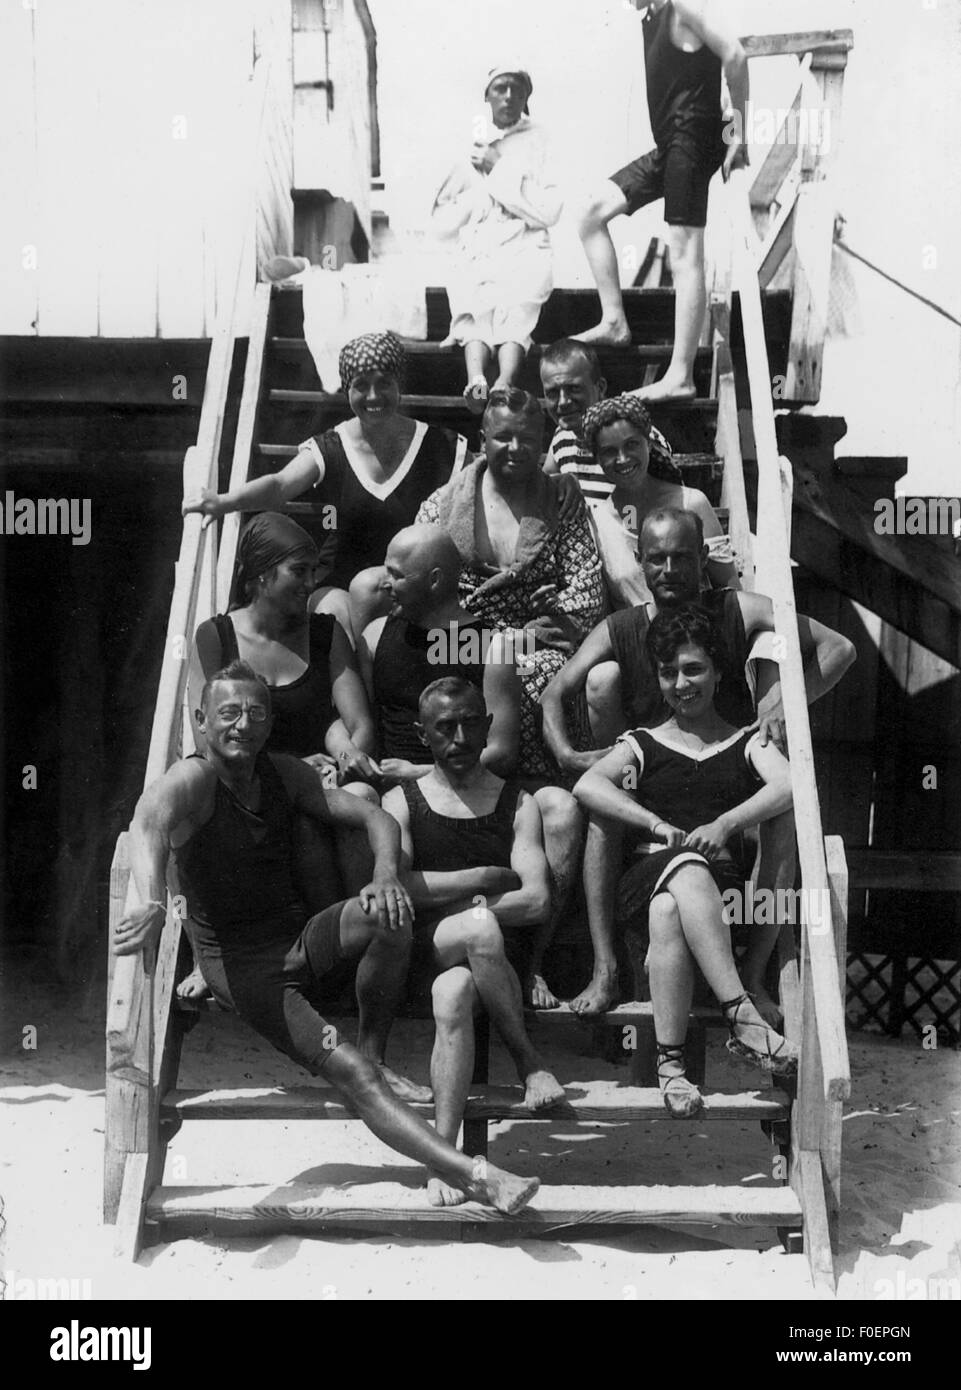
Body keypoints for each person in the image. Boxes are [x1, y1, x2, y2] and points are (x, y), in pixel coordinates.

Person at [112, 659, 539, 1215]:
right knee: (351, 1075)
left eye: (256, 713)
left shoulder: (282, 773)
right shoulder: (195, 779)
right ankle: (474, 1174)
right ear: (200, 721)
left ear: (269, 721)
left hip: (300, 938)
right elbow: (149, 821)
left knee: (389, 911)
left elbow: (378, 820)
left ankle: (375, 1046)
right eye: (229, 714)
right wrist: (149, 898)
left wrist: (387, 877)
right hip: (247, 970)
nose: (243, 724)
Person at [541, 506, 857, 1014]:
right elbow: (557, 691)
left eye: (681, 558)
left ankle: (753, 974)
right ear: (640, 564)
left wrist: (784, 700)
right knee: (601, 810)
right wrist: (566, 754)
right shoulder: (622, 626)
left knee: (787, 815)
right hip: (650, 778)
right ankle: (606, 971)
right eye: (657, 559)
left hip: (729, 772)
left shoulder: (736, 609)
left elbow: (838, 648)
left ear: (704, 558)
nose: (669, 571)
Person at [573, 606, 797, 1117]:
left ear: (719, 672)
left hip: (714, 899)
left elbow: (790, 785)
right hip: (645, 877)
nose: (681, 683)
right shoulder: (645, 743)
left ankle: (670, 1068)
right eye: (668, 672)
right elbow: (589, 784)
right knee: (684, 869)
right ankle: (741, 1014)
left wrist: (725, 824)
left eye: (693, 669)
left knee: (669, 912)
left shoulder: (746, 742)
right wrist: (654, 824)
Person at [361, 522, 583, 1010]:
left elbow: (500, 752)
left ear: (436, 579)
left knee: (561, 807)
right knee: (357, 803)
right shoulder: (377, 634)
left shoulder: (492, 646)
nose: (384, 584)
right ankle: (368, 957)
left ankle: (533, 962)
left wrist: (418, 773)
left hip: (474, 782)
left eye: (397, 575)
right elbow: (365, 725)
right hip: (404, 795)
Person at [180, 513, 380, 1002]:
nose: (311, 583)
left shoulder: (325, 632)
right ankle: (212, 958)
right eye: (300, 571)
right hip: (243, 777)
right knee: (193, 805)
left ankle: (360, 949)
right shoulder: (216, 635)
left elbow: (359, 722)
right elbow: (208, 727)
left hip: (315, 781)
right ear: (262, 575)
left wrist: (348, 751)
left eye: (314, 571)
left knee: (359, 799)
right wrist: (282, 768)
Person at [383, 678, 566, 1205]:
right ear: (423, 736)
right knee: (480, 928)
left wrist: (464, 910)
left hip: (489, 970)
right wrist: (483, 881)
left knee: (455, 992)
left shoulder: (517, 803)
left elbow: (536, 901)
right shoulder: (402, 801)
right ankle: (529, 1061)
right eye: (445, 728)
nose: (460, 737)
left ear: (488, 726)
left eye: (470, 723)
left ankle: (446, 1160)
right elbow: (402, 888)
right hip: (421, 952)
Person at [182, 331, 469, 642]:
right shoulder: (333, 445)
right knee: (333, 622)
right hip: (341, 582)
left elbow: (477, 495)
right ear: (347, 390)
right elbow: (279, 486)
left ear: (399, 384)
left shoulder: (439, 445)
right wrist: (222, 502)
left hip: (412, 585)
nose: (373, 396)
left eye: (384, 382)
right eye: (361, 385)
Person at [416, 387, 607, 782]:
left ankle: (537, 786)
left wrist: (551, 611)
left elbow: (587, 593)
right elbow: (419, 582)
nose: (516, 448)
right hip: (458, 639)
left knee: (542, 674)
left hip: (540, 644)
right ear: (483, 437)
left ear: (542, 442)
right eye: (503, 437)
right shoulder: (442, 505)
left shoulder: (560, 501)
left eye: (528, 439)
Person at [573, 0, 749, 406]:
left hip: (692, 139)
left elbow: (735, 55)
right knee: (589, 213)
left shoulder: (681, 6)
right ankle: (614, 320)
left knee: (684, 254)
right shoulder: (651, 18)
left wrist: (738, 130)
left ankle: (680, 375)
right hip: (670, 146)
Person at [431, 63, 562, 412]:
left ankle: (504, 381)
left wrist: (498, 168)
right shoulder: (470, 146)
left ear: (526, 97)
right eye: (500, 88)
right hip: (480, 245)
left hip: (524, 243)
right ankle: (476, 379)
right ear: (486, 95)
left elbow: (549, 210)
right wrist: (474, 203)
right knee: (473, 302)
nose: (508, 96)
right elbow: (442, 216)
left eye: (516, 89)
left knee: (516, 307)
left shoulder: (540, 140)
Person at [580, 394, 738, 604]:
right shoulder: (597, 523)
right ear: (597, 458)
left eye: (632, 445)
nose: (623, 459)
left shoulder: (690, 503)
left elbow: (732, 590)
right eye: (609, 451)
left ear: (648, 443)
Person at [540, 339, 675, 514]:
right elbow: (546, 482)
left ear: (600, 387)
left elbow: (667, 502)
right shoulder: (562, 435)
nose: (563, 401)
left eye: (574, 389)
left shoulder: (635, 435)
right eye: (552, 393)